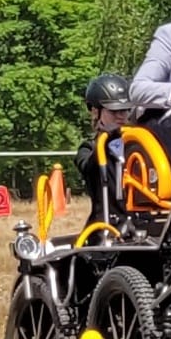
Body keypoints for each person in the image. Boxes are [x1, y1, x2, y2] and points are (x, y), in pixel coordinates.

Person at [75, 73, 133, 232]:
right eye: (114, 111)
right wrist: (108, 137)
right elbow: (89, 168)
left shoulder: (138, 144)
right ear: (95, 112)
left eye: (125, 110)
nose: (121, 116)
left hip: (140, 225)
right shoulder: (88, 148)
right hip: (106, 227)